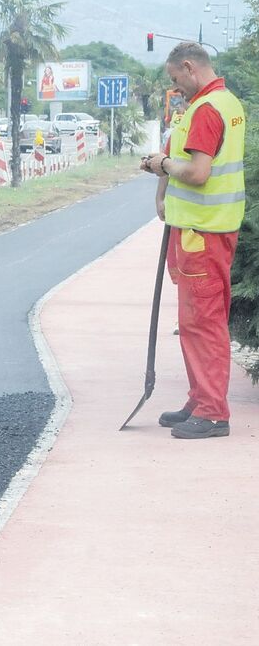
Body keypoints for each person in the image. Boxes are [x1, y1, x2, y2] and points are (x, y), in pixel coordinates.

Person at [140, 42, 246, 440]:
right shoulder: (224, 102)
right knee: (195, 321)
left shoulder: (206, 110)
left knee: (203, 323)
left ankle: (213, 413)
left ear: (189, 67)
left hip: (203, 232)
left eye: (175, 79)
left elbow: (199, 173)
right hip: (205, 228)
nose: (175, 87)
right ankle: (200, 399)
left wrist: (163, 165)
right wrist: (163, 181)